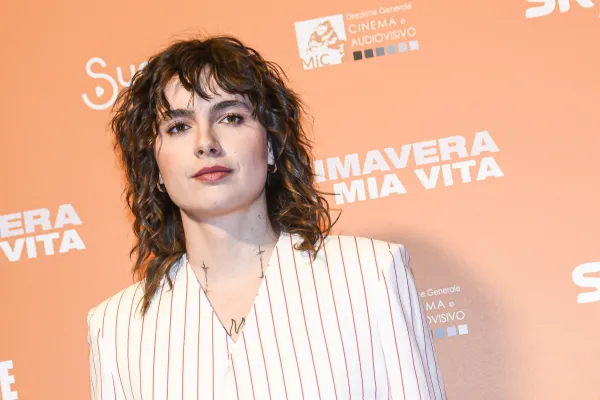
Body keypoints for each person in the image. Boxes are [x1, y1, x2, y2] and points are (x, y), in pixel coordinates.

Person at [87, 35, 446, 400]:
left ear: (271, 146)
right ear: (156, 167)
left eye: (231, 117)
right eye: (178, 126)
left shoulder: (369, 274)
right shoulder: (114, 328)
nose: (206, 142)